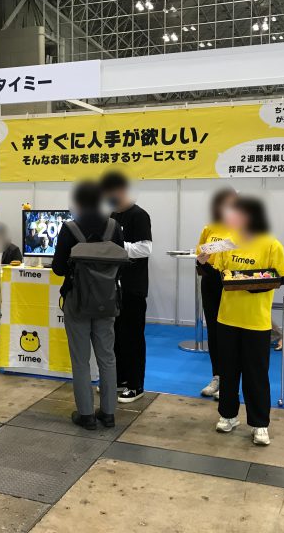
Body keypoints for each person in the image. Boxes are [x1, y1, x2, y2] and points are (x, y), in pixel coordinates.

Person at [204, 197, 284, 447]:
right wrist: (203, 259)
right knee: (228, 371)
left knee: (256, 374)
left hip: (256, 321)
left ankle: (260, 424)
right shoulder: (227, 243)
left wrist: (255, 284)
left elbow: (279, 277)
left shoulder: (272, 245)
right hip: (227, 318)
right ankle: (228, 416)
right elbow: (215, 271)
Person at [52, 181, 125, 430]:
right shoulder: (114, 227)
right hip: (107, 300)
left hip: (77, 301)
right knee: (108, 357)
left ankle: (86, 415)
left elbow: (58, 268)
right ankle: (108, 413)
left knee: (81, 360)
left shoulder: (70, 228)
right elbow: (121, 261)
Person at [100, 171, 152, 404]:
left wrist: (118, 246)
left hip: (133, 287)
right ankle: (119, 379)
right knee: (116, 336)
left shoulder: (139, 215)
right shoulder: (111, 216)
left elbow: (145, 249)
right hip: (113, 286)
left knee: (133, 337)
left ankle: (135, 384)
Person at [195, 187, 238, 400]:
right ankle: (217, 376)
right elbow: (200, 253)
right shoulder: (210, 227)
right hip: (210, 281)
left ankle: (230, 382)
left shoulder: (242, 228)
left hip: (231, 283)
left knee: (230, 333)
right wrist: (202, 258)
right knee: (213, 330)